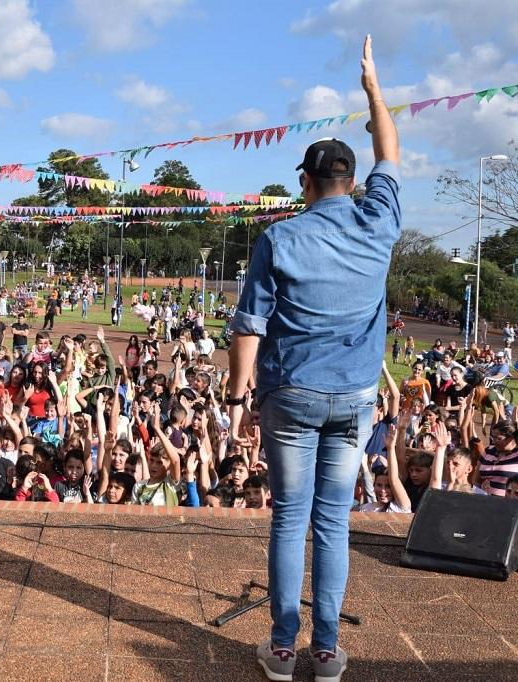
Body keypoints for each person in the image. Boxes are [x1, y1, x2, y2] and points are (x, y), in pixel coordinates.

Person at [226, 36, 400, 682]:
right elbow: (392, 152)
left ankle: (280, 645)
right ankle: (325, 649)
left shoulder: (280, 237)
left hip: (290, 395)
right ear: (352, 183)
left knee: (288, 517)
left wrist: (238, 399)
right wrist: (374, 91)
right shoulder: (379, 220)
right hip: (354, 396)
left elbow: (249, 325)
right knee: (332, 523)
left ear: (305, 181)